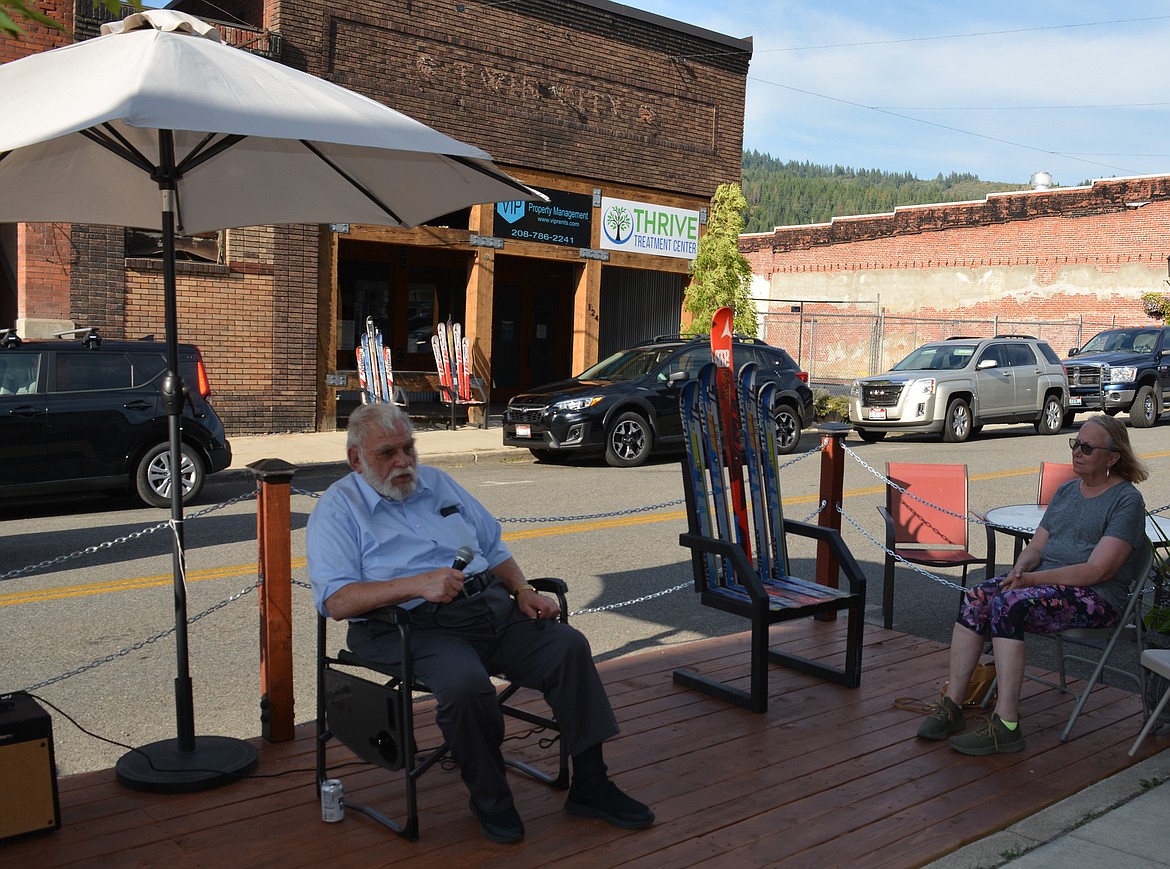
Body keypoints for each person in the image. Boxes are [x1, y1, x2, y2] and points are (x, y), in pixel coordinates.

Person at [307, 403, 653, 843]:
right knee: (467, 686)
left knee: (567, 646)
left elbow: (492, 545)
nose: (403, 462)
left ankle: (591, 784)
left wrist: (523, 591)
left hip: (488, 608)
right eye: (387, 453)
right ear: (356, 459)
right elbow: (336, 601)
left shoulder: (436, 483)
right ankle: (491, 799)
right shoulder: (338, 509)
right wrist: (416, 585)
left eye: (409, 449)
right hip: (405, 626)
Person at [916, 414, 1148, 755]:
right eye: (1075, 443)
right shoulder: (1067, 490)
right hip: (1047, 586)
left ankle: (1006, 724)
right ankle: (953, 705)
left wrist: (1031, 581)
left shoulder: (1126, 501)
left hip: (1096, 598)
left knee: (1010, 604)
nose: (1077, 452)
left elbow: (1098, 570)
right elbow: (1037, 546)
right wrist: (1020, 569)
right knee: (980, 594)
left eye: (1087, 447)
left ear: (1112, 457)